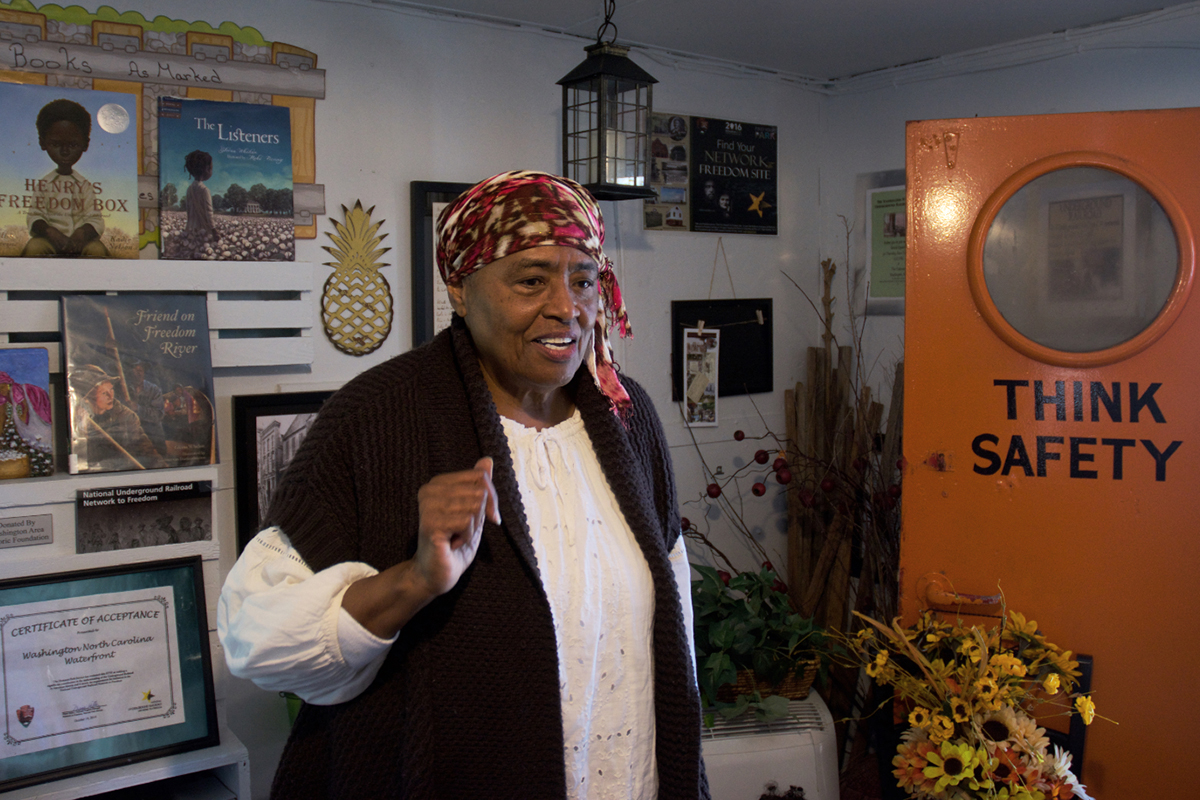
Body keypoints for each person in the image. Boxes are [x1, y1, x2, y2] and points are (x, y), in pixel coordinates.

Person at [218, 170, 708, 799]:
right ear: (458, 288)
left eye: (584, 279)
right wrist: (414, 580)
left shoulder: (626, 413)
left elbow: (676, 622)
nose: (568, 307)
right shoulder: (373, 420)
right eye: (531, 280)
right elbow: (256, 639)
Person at [22, 99, 109, 257]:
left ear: (85, 145)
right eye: (56, 144)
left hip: (81, 243)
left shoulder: (85, 185)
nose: (64, 152)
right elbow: (35, 216)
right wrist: (50, 232)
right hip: (50, 242)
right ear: (43, 143)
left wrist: (82, 233)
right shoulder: (43, 184)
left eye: (73, 145)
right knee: (34, 247)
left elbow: (95, 218)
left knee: (97, 250)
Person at [71, 364, 165, 471]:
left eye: (111, 390)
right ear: (86, 398)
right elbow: (79, 460)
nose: (111, 396)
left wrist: (164, 472)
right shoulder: (76, 415)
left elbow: (147, 451)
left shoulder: (126, 417)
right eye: (104, 393)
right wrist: (83, 430)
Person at [183, 150, 216, 239]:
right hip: (203, 232)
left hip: (190, 230)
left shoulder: (189, 189)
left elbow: (189, 211)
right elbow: (209, 213)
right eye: (211, 168)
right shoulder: (205, 190)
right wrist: (214, 230)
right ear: (206, 169)